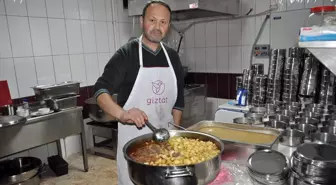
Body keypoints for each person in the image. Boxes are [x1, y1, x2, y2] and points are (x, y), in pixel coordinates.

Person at [93, 0, 184, 184]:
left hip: (165, 145)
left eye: (163, 22)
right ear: (142, 21)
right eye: (152, 20)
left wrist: (173, 136)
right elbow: (100, 91)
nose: (157, 27)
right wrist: (123, 114)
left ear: (168, 26)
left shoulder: (172, 57)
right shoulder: (127, 54)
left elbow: (178, 103)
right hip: (134, 147)